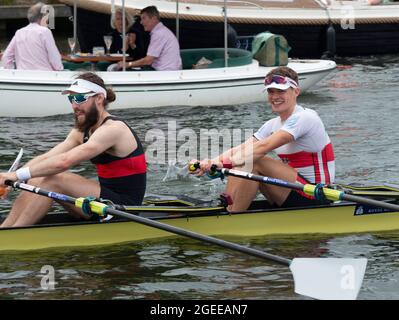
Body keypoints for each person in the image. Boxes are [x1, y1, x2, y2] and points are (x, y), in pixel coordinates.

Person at [0, 72, 146, 228]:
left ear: (99, 98)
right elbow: (49, 156)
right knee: (36, 179)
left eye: (80, 98)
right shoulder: (83, 129)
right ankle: (5, 229)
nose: (74, 105)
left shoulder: (113, 129)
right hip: (100, 202)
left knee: (55, 179)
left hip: (123, 208)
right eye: (71, 99)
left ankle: (14, 235)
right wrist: (11, 179)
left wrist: (15, 174)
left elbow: (64, 161)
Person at [190, 66, 335, 211]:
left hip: (317, 195)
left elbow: (263, 147)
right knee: (246, 158)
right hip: (293, 191)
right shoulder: (272, 125)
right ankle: (228, 208)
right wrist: (211, 162)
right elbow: (241, 149)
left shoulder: (305, 117)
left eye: (281, 91)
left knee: (253, 160)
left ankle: (229, 216)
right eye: (271, 91)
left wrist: (226, 164)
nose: (275, 96)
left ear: (296, 91)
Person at [117, 6, 182, 71]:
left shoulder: (159, 34)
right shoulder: (161, 31)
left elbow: (148, 61)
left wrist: (128, 64)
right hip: (169, 72)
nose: (141, 22)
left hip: (166, 74)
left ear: (154, 18)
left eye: (143, 18)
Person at [1, 2, 63, 71]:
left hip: (23, 76)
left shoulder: (19, 32)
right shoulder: (45, 32)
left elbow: (6, 57)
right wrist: (60, 70)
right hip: (44, 76)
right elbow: (55, 59)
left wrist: (13, 72)